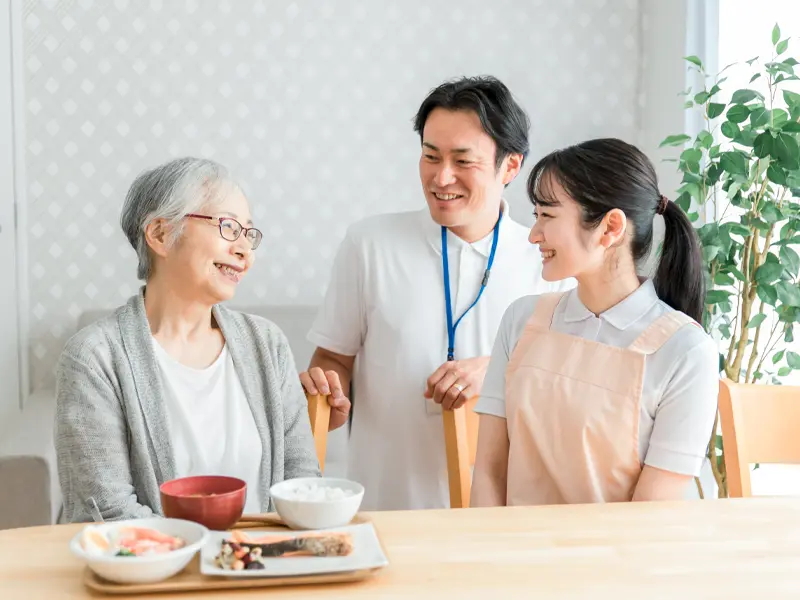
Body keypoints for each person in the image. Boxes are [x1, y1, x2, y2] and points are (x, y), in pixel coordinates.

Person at [300, 76, 573, 511]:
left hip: (508, 518)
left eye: (463, 161)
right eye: (430, 156)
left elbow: (570, 393)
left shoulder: (550, 261)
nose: (441, 177)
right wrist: (328, 395)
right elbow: (333, 360)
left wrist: (500, 369)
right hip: (386, 508)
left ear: (510, 166)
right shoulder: (369, 244)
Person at [54, 157, 320, 523]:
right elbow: (106, 511)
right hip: (154, 574)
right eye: (228, 227)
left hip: (259, 568)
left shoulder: (267, 344)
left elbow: (302, 485)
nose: (246, 251)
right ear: (160, 235)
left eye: (249, 233)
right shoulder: (95, 358)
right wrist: (213, 560)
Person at [470, 138, 719, 507]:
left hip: (621, 560)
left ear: (610, 227)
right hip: (515, 555)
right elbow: (490, 472)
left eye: (547, 216)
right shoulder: (521, 320)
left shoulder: (686, 351)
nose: (533, 234)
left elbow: (652, 512)